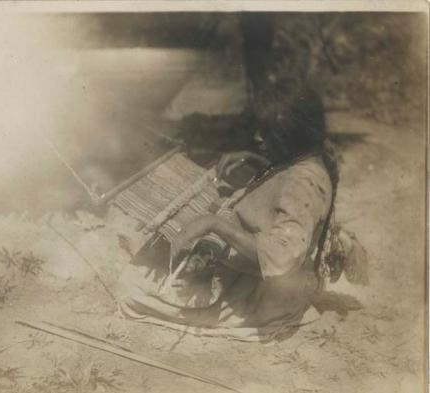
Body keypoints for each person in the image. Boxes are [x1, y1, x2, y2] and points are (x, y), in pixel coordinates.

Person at [118, 80, 339, 341]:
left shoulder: (304, 183)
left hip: (262, 298)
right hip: (266, 283)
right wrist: (261, 164)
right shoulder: (309, 158)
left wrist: (213, 224)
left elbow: (280, 256)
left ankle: (272, 313)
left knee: (131, 293)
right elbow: (286, 188)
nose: (257, 137)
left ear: (293, 132)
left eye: (268, 131)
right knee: (148, 268)